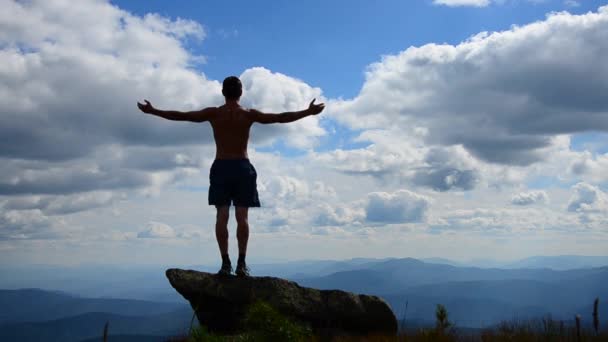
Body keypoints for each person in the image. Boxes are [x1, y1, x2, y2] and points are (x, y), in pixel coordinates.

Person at [137, 76, 325, 276]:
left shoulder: (214, 114)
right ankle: (241, 264)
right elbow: (280, 117)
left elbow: (183, 116)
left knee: (222, 215)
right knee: (242, 217)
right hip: (243, 167)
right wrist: (308, 112)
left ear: (223, 92)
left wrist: (153, 111)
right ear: (241, 92)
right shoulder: (248, 114)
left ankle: (226, 263)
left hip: (221, 166)